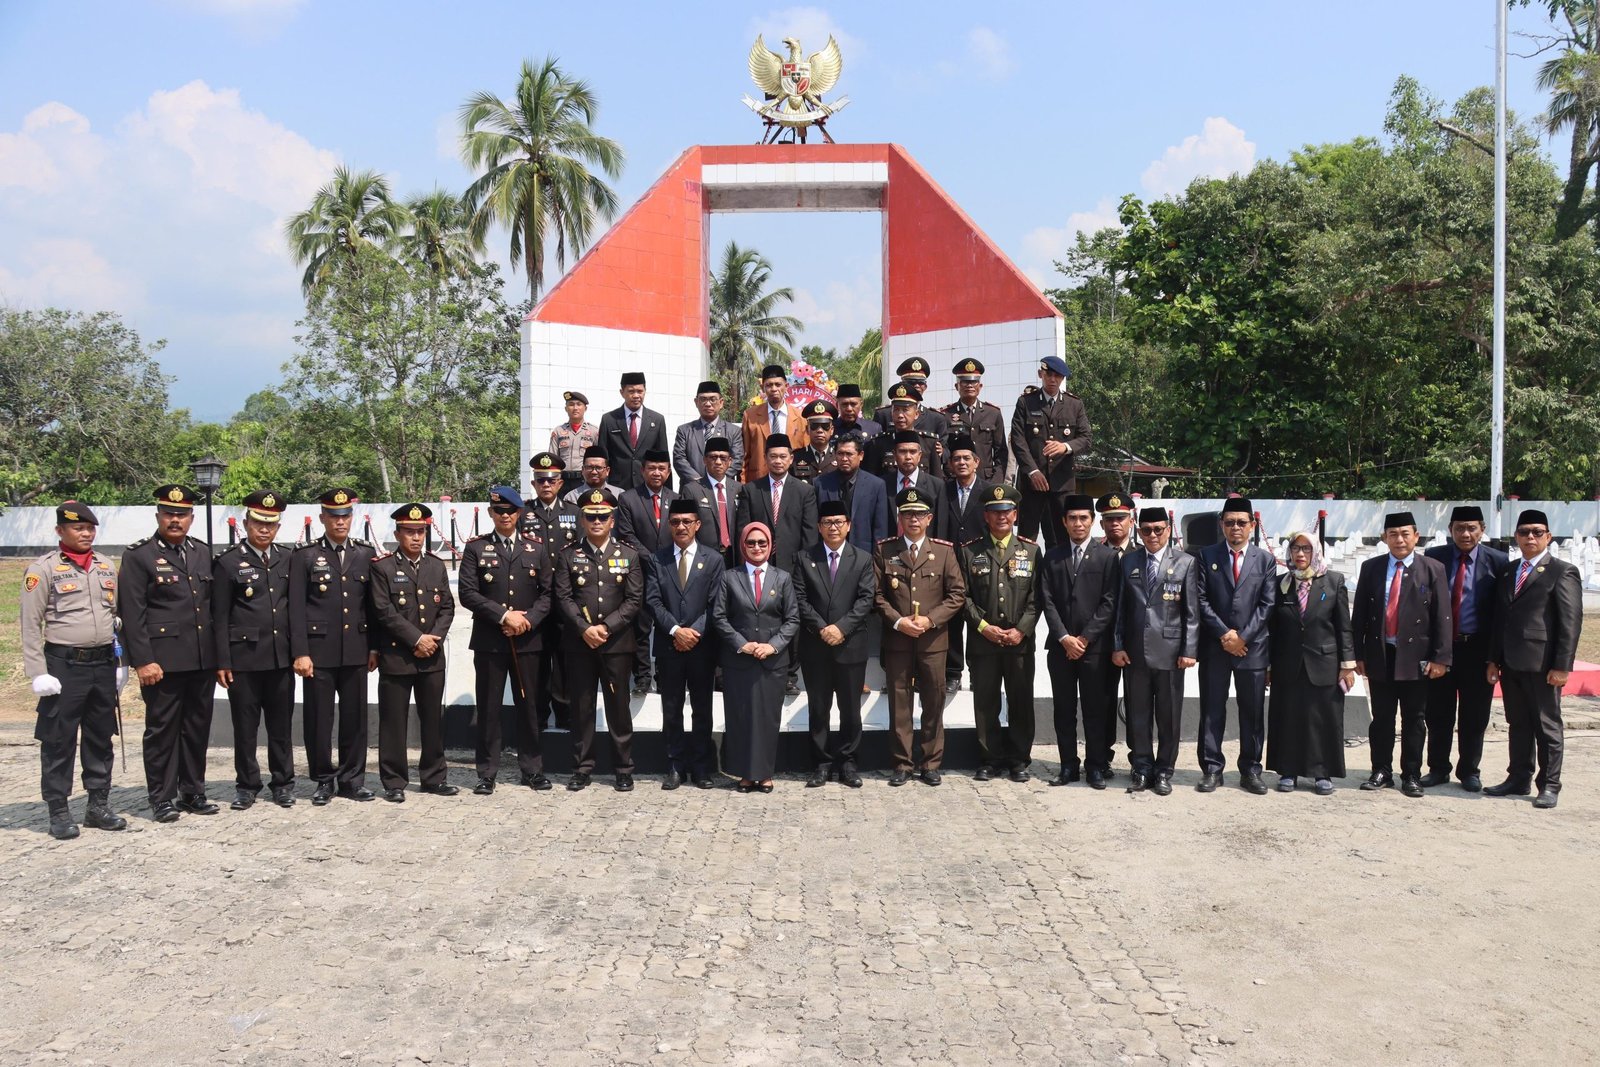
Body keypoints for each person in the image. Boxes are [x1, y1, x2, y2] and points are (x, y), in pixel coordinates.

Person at [21, 501, 126, 839]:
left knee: (100, 737)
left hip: (102, 663)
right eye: (78, 528)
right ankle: (59, 811)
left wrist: (121, 662)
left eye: (90, 528)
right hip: (64, 666)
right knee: (58, 740)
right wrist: (37, 672)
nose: (86, 533)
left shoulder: (106, 566)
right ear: (60, 531)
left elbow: (115, 618)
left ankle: (97, 806)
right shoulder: (43, 569)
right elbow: (30, 625)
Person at [118, 484, 219, 822]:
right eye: (169, 513)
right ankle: (161, 798)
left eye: (182, 514)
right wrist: (143, 660)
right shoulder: (139, 556)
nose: (175, 520)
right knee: (162, 731)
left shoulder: (202, 552)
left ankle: (192, 791)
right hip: (162, 662)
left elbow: (210, 608)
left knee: (197, 728)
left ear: (191, 517)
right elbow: (132, 613)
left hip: (201, 659)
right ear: (158, 516)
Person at [1486, 510, 1583, 809]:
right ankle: (1518, 777)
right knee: (1518, 723)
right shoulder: (1508, 571)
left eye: (1537, 532)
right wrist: (1493, 659)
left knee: (1546, 725)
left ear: (1548, 536)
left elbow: (1570, 623)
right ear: (1516, 537)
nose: (1530, 537)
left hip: (1543, 664)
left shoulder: (1562, 571)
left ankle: (1550, 785)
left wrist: (1562, 666)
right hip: (1511, 662)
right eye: (1524, 532)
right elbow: (1499, 619)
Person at [459, 487, 554, 794]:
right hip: (490, 640)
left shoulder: (536, 549)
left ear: (519, 514)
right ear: (490, 513)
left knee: (530, 706)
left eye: (510, 511)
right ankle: (487, 772)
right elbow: (467, 593)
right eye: (498, 511)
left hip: (527, 640)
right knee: (488, 708)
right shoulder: (476, 549)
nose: (504, 516)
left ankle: (533, 769)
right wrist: (504, 616)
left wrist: (527, 620)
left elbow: (548, 594)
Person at [1351, 510, 1452, 798]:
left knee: (1414, 718)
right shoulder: (1372, 568)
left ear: (1416, 536)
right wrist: (1357, 654)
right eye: (1393, 534)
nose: (1399, 539)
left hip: (1417, 657)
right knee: (1381, 717)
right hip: (1381, 654)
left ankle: (1411, 774)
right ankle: (1381, 770)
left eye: (1405, 534)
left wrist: (1441, 657)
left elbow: (1443, 616)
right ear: (1384, 538)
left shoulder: (1432, 568)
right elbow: (1360, 615)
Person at [289, 487, 379, 806]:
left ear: (351, 517)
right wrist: (300, 652)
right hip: (319, 651)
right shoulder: (305, 555)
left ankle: (352, 780)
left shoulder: (365, 553)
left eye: (345, 516)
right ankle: (323, 780)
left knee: (355, 719)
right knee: (319, 719)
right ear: (322, 518)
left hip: (356, 649)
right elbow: (296, 608)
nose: (340, 522)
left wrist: (374, 647)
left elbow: (373, 606)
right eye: (333, 516)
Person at [553, 488, 644, 791]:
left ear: (612, 520)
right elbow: (563, 597)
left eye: (602, 517)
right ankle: (582, 767)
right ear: (582, 519)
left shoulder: (628, 555)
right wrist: (584, 629)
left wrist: (606, 627)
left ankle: (623, 768)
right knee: (582, 708)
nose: (596, 522)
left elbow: (634, 599)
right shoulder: (568, 555)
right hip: (580, 644)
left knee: (619, 707)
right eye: (591, 517)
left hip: (616, 645)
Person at [875, 487, 966, 786]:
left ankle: (930, 763)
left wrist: (930, 620)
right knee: (899, 703)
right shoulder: (885, 550)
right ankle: (902, 764)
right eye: (907, 514)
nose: (913, 519)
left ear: (929, 518)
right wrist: (899, 621)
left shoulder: (944, 551)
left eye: (919, 514)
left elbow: (957, 594)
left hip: (933, 641)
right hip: (898, 640)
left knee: (933, 702)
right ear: (899, 519)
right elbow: (877, 596)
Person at [211, 490, 296, 810]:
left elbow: (294, 609)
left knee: (281, 727)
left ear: (278, 527)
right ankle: (247, 784)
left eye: (270, 524)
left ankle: (283, 783)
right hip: (243, 659)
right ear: (246, 523)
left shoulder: (288, 558)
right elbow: (219, 615)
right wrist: (223, 660)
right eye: (259, 523)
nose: (264, 529)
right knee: (245, 728)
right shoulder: (228, 561)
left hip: (280, 657)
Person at [368, 503, 458, 803]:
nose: (416, 537)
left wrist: (433, 640)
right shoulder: (382, 567)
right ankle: (394, 781)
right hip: (397, 656)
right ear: (398, 534)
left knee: (432, 720)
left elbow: (447, 607)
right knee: (393, 722)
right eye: (409, 532)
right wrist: (416, 639)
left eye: (420, 532)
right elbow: (383, 611)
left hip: (431, 656)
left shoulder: (436, 565)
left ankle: (434, 777)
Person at [1421, 505, 1509, 791]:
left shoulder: (1498, 561)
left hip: (1478, 650)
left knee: (1475, 714)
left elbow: (1501, 613)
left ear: (1482, 530)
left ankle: (1469, 770)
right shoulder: (1434, 557)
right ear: (1451, 530)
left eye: (1472, 528)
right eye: (1459, 528)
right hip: (1442, 649)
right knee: (1438, 713)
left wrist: (1495, 657)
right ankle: (1438, 768)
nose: (1466, 534)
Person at [1112, 506, 1199, 795]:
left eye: (1158, 529)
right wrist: (1117, 645)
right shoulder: (1128, 561)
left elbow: (1192, 613)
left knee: (1168, 717)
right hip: (1135, 652)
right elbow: (1120, 609)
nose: (1153, 535)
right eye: (1147, 530)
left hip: (1171, 653)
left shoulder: (1185, 562)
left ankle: (1163, 771)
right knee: (1137, 715)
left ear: (1168, 530)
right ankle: (1141, 769)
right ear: (1139, 531)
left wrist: (1189, 650)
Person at [1194, 498, 1277, 794]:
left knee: (1252, 712)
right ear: (1222, 525)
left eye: (1241, 522)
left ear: (1252, 525)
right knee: (1211, 710)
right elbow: (1200, 599)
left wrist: (1243, 637)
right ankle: (1212, 768)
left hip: (1252, 649)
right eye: (1229, 522)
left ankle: (1251, 770)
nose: (1235, 528)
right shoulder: (1206, 556)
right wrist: (1225, 635)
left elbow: (1267, 604)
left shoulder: (1265, 560)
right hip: (1215, 647)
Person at [791, 500, 876, 788]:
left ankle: (849, 763)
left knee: (850, 709)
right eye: (828, 523)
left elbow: (866, 599)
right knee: (819, 708)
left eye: (839, 522)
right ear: (819, 527)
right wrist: (821, 628)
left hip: (850, 645)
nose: (833, 527)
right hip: (816, 646)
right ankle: (822, 763)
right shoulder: (804, 558)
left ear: (848, 526)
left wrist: (841, 628)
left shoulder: (862, 559)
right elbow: (799, 598)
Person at [961, 484, 1041, 782]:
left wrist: (1021, 630)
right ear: (986, 516)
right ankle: (989, 759)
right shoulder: (969, 551)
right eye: (995, 512)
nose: (1001, 517)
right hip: (984, 642)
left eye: (1006, 511)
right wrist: (983, 627)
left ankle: (1019, 759)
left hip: (1019, 643)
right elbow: (962, 597)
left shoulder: (1031, 551)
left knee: (1021, 701)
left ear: (1015, 514)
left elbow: (1037, 598)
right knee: (986, 703)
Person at [1265, 532, 1355, 795]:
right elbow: (1272, 628)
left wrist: (1347, 665)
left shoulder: (1333, 581)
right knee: (1288, 716)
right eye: (1296, 548)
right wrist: (1269, 666)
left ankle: (1322, 772)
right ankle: (1287, 771)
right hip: (1287, 663)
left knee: (1323, 718)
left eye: (1306, 549)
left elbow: (1343, 627)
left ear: (1316, 551)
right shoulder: (1281, 583)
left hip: (1325, 661)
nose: (1300, 554)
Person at [713, 522, 799, 792]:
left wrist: (773, 646)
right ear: (743, 546)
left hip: (772, 662)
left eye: (762, 542)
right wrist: (742, 644)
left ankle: (765, 773)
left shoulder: (783, 578)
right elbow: (719, 617)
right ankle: (745, 774)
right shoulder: (729, 577)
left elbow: (792, 619)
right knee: (741, 717)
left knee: (767, 718)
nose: (757, 547)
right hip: (739, 660)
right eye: (751, 543)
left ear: (770, 546)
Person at [1041, 494, 1120, 788]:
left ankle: (1096, 766)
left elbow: (1109, 602)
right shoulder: (1052, 556)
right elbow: (1047, 600)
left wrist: (1084, 638)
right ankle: (1068, 766)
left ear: (1093, 521)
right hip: (1060, 647)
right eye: (1072, 518)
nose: (1078, 523)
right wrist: (1064, 637)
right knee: (1064, 710)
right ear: (1064, 522)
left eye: (1083, 518)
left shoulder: (1107, 557)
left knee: (1095, 710)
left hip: (1094, 648)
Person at [645, 498, 724, 789]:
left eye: (687, 521)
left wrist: (693, 633)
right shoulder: (658, 559)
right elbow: (653, 601)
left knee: (702, 708)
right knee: (671, 708)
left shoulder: (713, 559)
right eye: (676, 522)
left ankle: (701, 767)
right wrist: (677, 631)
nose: (681, 527)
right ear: (669, 525)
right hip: (669, 646)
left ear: (697, 524)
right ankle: (675, 765)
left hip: (702, 647)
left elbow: (716, 605)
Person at [1009, 354, 1092, 548]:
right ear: (1041, 374)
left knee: (1062, 538)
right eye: (1049, 375)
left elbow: (1086, 439)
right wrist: (1032, 471)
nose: (1053, 380)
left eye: (1058, 376)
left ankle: (1060, 569)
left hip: (1062, 483)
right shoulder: (1026, 402)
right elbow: (1018, 440)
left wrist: (1066, 447)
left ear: (1063, 378)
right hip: (1032, 483)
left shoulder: (1074, 404)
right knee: (1026, 537)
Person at [615, 449, 679, 694]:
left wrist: (664, 561)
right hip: (640, 571)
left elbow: (681, 532)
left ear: (668, 472)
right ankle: (642, 677)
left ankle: (665, 675)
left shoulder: (676, 498)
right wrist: (652, 559)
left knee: (667, 625)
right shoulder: (628, 498)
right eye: (651, 468)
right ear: (642, 471)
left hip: (670, 571)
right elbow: (626, 535)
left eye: (662, 468)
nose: (656, 473)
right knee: (640, 627)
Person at [521, 454, 577, 732]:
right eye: (541, 480)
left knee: (566, 661)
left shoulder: (574, 513)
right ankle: (539, 718)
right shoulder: (522, 514)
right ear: (534, 483)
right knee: (538, 662)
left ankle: (565, 716)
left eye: (551, 480)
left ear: (560, 483)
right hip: (535, 600)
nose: (546, 484)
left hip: (566, 600)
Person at [942, 435, 992, 694]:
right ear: (950, 463)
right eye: (956, 459)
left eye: (966, 458)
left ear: (976, 462)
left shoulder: (988, 491)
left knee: (978, 619)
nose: (961, 463)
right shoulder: (943, 490)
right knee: (951, 621)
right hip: (949, 565)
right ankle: (953, 672)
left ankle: (977, 671)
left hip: (979, 564)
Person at [734, 433, 818, 572]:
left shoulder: (805, 492)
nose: (778, 461)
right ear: (765, 458)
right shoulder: (751, 490)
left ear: (791, 459)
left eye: (783, 456)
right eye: (773, 456)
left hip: (793, 566)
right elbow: (743, 531)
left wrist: (806, 567)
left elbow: (810, 535)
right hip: (759, 564)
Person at [813, 435, 888, 551]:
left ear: (861, 455)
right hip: (828, 553)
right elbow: (814, 525)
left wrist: (877, 558)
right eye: (840, 453)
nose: (844, 458)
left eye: (849, 454)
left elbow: (880, 529)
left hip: (864, 553)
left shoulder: (876, 485)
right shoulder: (820, 484)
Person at [940, 357, 1009, 483]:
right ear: (956, 386)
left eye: (974, 382)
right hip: (955, 480)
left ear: (980, 386)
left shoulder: (993, 413)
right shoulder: (946, 415)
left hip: (986, 480)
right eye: (965, 382)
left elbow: (1001, 452)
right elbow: (943, 451)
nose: (970, 385)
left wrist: (996, 482)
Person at [598, 371, 667, 490]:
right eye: (631, 391)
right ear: (622, 392)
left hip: (647, 485)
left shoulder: (657, 420)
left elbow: (664, 457)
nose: (636, 396)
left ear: (645, 391)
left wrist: (666, 491)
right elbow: (603, 457)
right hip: (616, 485)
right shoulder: (609, 419)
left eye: (640, 391)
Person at [678, 435, 740, 566]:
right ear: (704, 460)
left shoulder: (739, 489)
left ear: (730, 461)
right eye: (713, 457)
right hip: (704, 558)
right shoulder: (691, 490)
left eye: (723, 458)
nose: (718, 462)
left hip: (734, 558)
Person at [876, 427, 946, 538]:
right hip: (889, 546)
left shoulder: (937, 486)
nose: (908, 457)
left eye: (912, 452)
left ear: (919, 455)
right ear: (894, 455)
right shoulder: (881, 484)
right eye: (902, 452)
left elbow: (940, 527)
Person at [672, 379, 744, 485]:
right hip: (691, 488)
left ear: (721, 402)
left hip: (722, 488)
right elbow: (679, 460)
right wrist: (699, 483)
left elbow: (736, 461)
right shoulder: (684, 430)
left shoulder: (733, 431)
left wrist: (716, 481)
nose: (708, 404)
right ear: (696, 402)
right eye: (703, 399)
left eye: (713, 399)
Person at [740, 364, 804, 483]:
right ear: (763, 387)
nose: (774, 389)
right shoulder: (750, 416)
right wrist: (743, 485)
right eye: (769, 385)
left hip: (792, 481)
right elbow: (745, 454)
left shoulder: (801, 417)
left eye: (778, 384)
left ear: (786, 386)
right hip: (758, 481)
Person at [865, 385, 942, 483]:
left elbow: (937, 483)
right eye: (896, 410)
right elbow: (871, 481)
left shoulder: (929, 442)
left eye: (905, 410)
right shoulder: (878, 443)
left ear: (916, 414)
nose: (900, 415)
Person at [872, 358, 951, 441]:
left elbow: (943, 447)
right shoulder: (883, 415)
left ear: (925, 387)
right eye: (911, 382)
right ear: (901, 385)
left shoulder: (936, 418)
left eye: (920, 382)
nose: (916, 386)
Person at [549, 389, 599, 494]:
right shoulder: (558, 431)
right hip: (563, 480)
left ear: (585, 408)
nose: (575, 408)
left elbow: (599, 459)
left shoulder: (594, 431)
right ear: (566, 408)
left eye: (579, 404)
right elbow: (552, 459)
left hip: (584, 480)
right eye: (571, 404)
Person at [791, 399, 838, 482]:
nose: (819, 430)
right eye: (814, 426)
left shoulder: (839, 456)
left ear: (832, 430)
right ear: (807, 429)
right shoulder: (795, 458)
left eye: (825, 426)